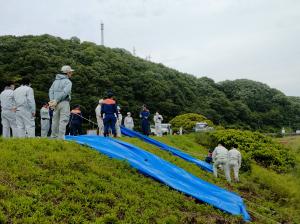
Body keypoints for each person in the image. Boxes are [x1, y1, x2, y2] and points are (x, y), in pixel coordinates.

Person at [49, 65, 73, 139]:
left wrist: (52, 100)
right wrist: (56, 100)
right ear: (67, 73)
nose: (71, 73)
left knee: (55, 120)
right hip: (64, 102)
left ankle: (53, 137)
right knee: (63, 120)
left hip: (55, 103)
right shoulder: (68, 82)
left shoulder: (55, 81)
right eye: (71, 72)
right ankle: (61, 138)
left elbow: (50, 91)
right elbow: (65, 92)